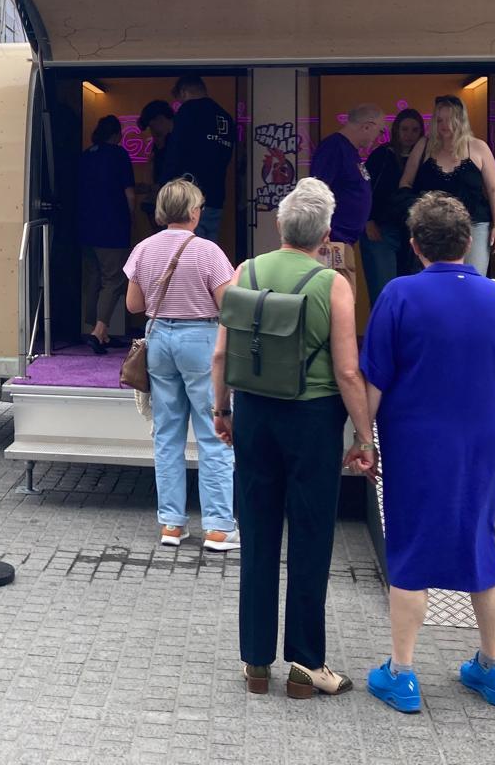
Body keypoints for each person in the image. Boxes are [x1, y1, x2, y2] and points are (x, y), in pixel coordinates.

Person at [358, 194, 495, 713]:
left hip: (416, 438)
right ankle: (492, 668)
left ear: (415, 245)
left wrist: (361, 440)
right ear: (468, 242)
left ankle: (400, 673)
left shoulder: (398, 295)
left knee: (412, 544)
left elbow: (374, 377)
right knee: (479, 539)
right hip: (485, 438)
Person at [213, 177, 376, 699]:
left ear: (280, 225)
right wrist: (364, 436)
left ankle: (255, 663)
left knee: (258, 536)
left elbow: (221, 354)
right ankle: (306, 668)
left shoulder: (246, 271)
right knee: (310, 539)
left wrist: (222, 409)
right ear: (326, 233)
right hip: (313, 419)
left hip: (256, 414)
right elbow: (349, 372)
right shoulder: (333, 284)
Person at [124, 179, 237, 552]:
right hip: (200, 340)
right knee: (212, 432)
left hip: (159, 341)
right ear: (193, 212)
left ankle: (171, 524)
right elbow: (229, 304)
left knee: (167, 435)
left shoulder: (144, 249)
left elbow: (134, 305)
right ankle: (218, 527)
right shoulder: (208, 252)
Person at [400, 95, 495, 275]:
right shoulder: (424, 146)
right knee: (435, 281)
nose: (444, 125)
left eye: (450, 119)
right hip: (432, 225)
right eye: (439, 120)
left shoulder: (478, 147)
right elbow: (405, 183)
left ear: (460, 120)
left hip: (474, 224)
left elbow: (494, 189)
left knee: (473, 278)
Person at [308, 104, 385, 297]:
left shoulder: (350, 151)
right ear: (367, 126)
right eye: (379, 130)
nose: (379, 137)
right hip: (332, 242)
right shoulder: (334, 148)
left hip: (343, 242)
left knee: (342, 298)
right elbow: (317, 192)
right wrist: (322, 237)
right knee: (337, 300)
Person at [79, 115, 137, 353]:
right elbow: (129, 194)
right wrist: (130, 219)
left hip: (85, 227)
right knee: (113, 279)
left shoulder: (85, 156)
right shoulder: (119, 155)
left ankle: (91, 329)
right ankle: (99, 331)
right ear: (115, 135)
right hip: (112, 227)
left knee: (93, 278)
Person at [360, 108, 424, 298]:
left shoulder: (426, 158)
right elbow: (366, 189)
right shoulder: (382, 155)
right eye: (404, 129)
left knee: (414, 294)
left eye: (414, 130)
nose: (409, 135)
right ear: (396, 130)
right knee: (383, 292)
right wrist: (368, 220)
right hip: (382, 229)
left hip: (415, 232)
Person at [165, 76, 236, 243]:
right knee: (209, 249)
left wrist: (165, 184)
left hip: (189, 196)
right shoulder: (225, 117)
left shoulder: (188, 111)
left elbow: (175, 152)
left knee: (189, 251)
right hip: (216, 195)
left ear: (184, 92)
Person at [137, 99, 178, 228]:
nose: (152, 132)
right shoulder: (165, 144)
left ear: (160, 119)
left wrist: (153, 187)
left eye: (152, 126)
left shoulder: (172, 145)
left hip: (171, 202)